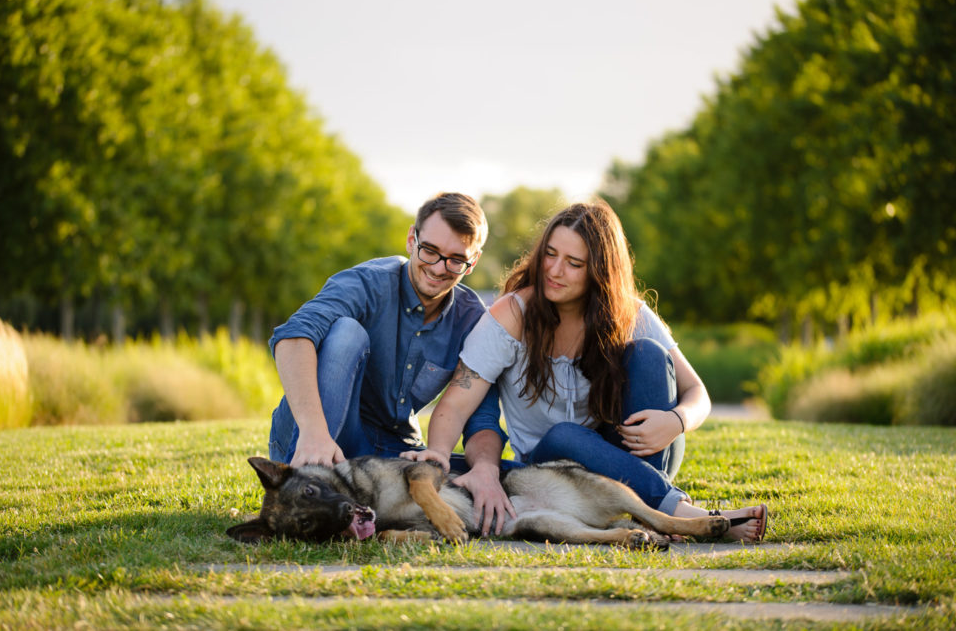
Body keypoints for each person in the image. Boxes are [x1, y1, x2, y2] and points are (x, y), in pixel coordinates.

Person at [403, 200, 767, 541]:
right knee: (565, 435)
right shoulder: (512, 314)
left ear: (599, 272)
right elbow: (455, 404)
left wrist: (677, 421)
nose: (555, 271)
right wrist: (437, 453)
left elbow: (697, 393)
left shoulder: (628, 312)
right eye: (550, 254)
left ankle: (652, 510)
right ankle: (683, 513)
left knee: (650, 355)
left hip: (631, 455)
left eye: (574, 263)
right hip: (551, 469)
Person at [267, 192, 507, 486]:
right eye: (429, 250)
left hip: (393, 449)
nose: (437, 268)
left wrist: (483, 469)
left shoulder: (472, 320)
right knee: (347, 333)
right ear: (411, 239)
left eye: (456, 260)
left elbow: (481, 413)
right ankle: (300, 484)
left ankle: (347, 487)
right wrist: (314, 431)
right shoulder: (366, 283)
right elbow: (293, 336)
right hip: (315, 434)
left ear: (473, 261)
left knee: (509, 474)